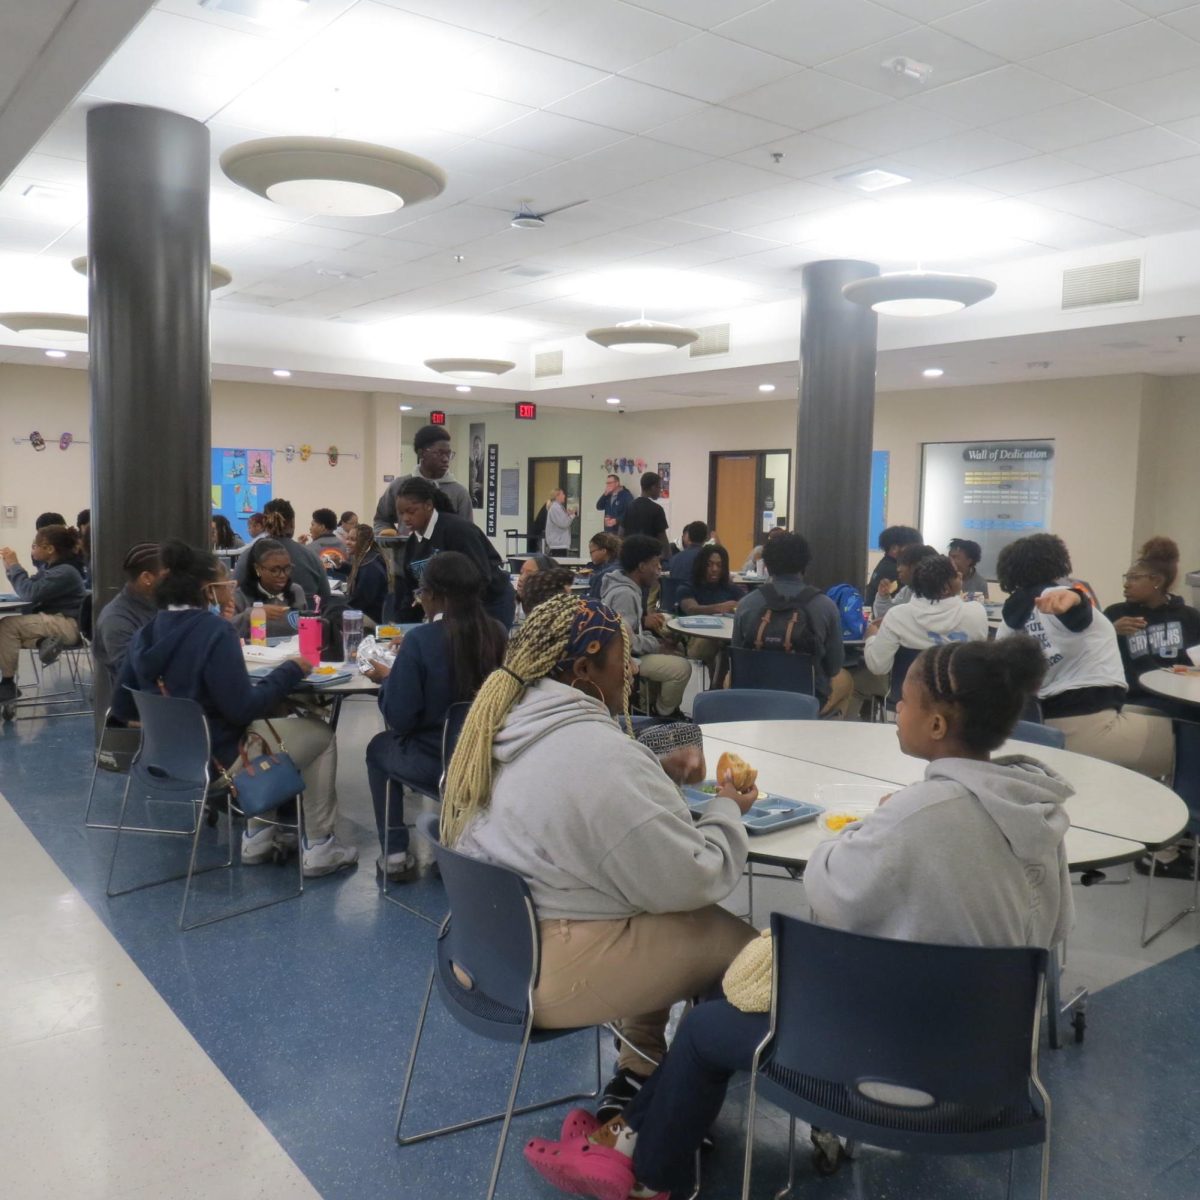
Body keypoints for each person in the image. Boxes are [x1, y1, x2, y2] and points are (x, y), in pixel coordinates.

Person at [524, 635, 1073, 1200]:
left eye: (904, 703)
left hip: (890, 1060)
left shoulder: (918, 816)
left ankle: (644, 1176)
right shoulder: (1037, 814)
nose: (895, 711)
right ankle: (622, 1140)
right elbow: (1054, 929)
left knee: (704, 1030)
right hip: (991, 1064)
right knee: (727, 1011)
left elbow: (828, 886)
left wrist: (869, 829)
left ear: (937, 726)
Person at [443, 594, 757, 1115]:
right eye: (622, 656)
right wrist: (726, 808)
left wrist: (653, 776)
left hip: (483, 954)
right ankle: (672, 1116)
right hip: (547, 973)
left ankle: (640, 1070)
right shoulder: (599, 755)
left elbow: (587, 810)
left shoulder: (503, 722)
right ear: (585, 668)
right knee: (750, 954)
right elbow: (693, 877)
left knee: (651, 902)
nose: (632, 668)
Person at [111, 541, 356, 876]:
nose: (231, 589)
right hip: (222, 760)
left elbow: (124, 707)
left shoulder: (146, 634)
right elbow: (244, 710)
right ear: (207, 589)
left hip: (166, 759)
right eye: (226, 584)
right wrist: (291, 670)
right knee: (319, 735)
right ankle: (320, 845)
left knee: (270, 726)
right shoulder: (214, 632)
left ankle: (258, 835)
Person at [363, 552, 507, 879]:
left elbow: (401, 719)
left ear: (435, 596)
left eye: (422, 594)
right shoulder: (497, 633)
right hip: (489, 761)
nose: (421, 601)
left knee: (378, 749)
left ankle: (395, 853)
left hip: (437, 763)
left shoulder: (419, 641)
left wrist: (389, 679)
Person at [996, 533, 1172, 778]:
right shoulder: (1064, 599)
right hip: (1091, 726)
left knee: (1151, 714)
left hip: (1039, 726)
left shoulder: (1009, 618)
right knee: (1179, 732)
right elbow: (1076, 612)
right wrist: (1076, 597)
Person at [731, 532, 851, 716]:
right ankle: (825, 735)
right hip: (807, 699)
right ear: (805, 565)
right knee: (846, 679)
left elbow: (738, 656)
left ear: (767, 566)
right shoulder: (826, 606)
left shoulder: (746, 605)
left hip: (753, 696)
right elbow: (834, 666)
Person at [393, 477, 515, 628]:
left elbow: (481, 577)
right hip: (452, 611)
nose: (405, 518)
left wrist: (453, 619)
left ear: (429, 505)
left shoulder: (458, 530)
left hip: (490, 603)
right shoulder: (412, 544)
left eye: (411, 511)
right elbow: (414, 592)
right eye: (401, 513)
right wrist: (399, 627)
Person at [601, 536, 692, 722]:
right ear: (642, 566)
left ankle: (654, 706)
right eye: (656, 563)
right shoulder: (625, 594)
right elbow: (626, 641)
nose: (659, 569)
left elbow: (632, 629)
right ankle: (663, 714)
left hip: (630, 655)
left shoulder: (628, 588)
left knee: (676, 652)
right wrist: (656, 645)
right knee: (682, 668)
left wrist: (653, 638)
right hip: (624, 660)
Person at [1104, 537, 1200, 713]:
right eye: (1126, 577)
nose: (1126, 584)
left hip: (1182, 699)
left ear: (1156, 581)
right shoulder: (1114, 614)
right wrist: (1111, 631)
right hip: (1134, 699)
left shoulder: (1189, 617)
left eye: (1134, 578)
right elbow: (1092, 654)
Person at [0, 524, 86, 703]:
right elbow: (28, 586)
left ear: (49, 549)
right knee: (9, 636)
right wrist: (9, 567)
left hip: (68, 625)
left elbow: (30, 593)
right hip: (54, 621)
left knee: (7, 626)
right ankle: (43, 642)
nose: (32, 550)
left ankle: (7, 684)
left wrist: (14, 565)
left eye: (35, 546)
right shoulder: (51, 570)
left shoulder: (65, 572)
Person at [863, 554, 989, 676]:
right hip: (960, 695)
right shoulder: (976, 613)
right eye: (956, 574)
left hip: (908, 695)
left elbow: (878, 667)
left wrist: (871, 637)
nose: (960, 575)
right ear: (945, 588)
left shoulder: (898, 616)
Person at [373, 424, 472, 533]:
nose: (445, 459)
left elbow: (467, 531)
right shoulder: (399, 486)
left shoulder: (459, 492)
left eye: (448, 454)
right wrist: (389, 537)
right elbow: (381, 520)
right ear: (421, 453)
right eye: (439, 453)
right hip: (407, 549)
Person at [93, 543, 163, 691]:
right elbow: (132, 674)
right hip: (145, 706)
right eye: (168, 575)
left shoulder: (161, 604)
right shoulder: (116, 619)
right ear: (147, 578)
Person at [234, 501, 330, 609]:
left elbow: (234, 593)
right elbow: (325, 596)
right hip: (305, 620)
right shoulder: (311, 556)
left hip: (258, 621)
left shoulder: (248, 555)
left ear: (265, 524)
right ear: (292, 523)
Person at [679, 544, 744, 680]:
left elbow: (747, 605)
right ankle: (716, 685)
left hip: (728, 637)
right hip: (697, 639)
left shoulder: (731, 589)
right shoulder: (688, 587)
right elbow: (691, 609)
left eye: (719, 565)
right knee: (719, 644)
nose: (714, 569)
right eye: (710, 565)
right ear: (701, 565)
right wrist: (720, 607)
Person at [233, 539, 307, 639]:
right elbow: (227, 632)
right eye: (274, 570)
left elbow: (305, 630)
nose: (282, 575)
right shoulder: (240, 596)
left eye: (287, 568)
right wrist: (251, 614)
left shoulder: (296, 591)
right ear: (258, 569)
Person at [872, 542, 938, 621]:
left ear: (917, 566)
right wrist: (883, 597)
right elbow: (887, 615)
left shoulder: (937, 594)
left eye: (903, 564)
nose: (898, 569)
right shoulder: (907, 590)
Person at [865, 524, 923, 606]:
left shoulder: (885, 563)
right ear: (894, 548)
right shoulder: (895, 570)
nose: (917, 551)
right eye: (913, 547)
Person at [344, 524, 389, 625]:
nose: (347, 543)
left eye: (353, 540)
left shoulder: (371, 567)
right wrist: (340, 566)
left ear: (364, 543)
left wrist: (341, 608)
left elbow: (361, 601)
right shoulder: (367, 559)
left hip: (373, 619)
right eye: (347, 538)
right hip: (367, 613)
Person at [621, 473, 669, 552]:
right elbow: (662, 537)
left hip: (630, 554)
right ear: (653, 487)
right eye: (659, 487)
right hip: (649, 555)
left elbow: (621, 533)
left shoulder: (629, 507)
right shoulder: (657, 509)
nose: (660, 490)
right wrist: (668, 558)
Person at [586, 533, 621, 601]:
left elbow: (593, 602)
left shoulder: (604, 575)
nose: (590, 555)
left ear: (603, 551)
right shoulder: (622, 565)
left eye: (591, 552)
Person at [542, 489, 575, 557]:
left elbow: (561, 519)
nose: (564, 496)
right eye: (562, 494)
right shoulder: (555, 508)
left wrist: (567, 514)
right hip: (558, 544)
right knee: (558, 566)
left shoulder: (558, 507)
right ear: (557, 496)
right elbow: (563, 523)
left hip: (559, 544)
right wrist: (572, 515)